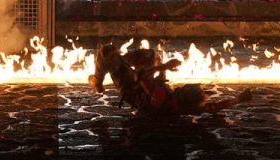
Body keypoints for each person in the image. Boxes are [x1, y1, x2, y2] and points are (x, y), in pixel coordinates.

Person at [91, 43, 248, 118]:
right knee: (149, 55)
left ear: (184, 93)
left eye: (188, 88)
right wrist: (238, 99)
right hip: (145, 87)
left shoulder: (161, 97)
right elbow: (214, 107)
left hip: (133, 90)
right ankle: (105, 69)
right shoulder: (183, 105)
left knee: (116, 62)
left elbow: (140, 77)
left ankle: (100, 75)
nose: (184, 87)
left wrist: (163, 66)